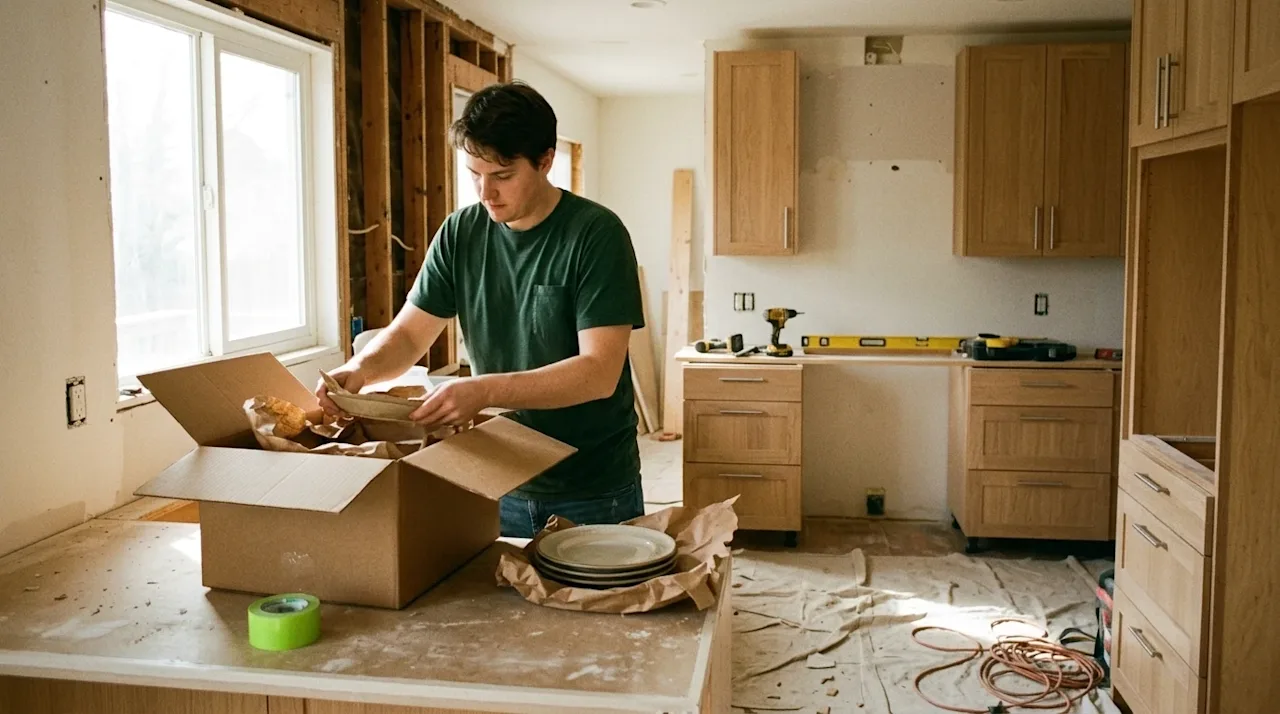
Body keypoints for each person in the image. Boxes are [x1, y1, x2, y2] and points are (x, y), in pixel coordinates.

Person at [316, 81, 646, 538]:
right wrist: (359, 370)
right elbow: (411, 335)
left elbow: (599, 371)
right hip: (494, 476)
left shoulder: (596, 234)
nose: (485, 192)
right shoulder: (461, 232)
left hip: (589, 484)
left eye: (503, 175)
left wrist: (484, 391)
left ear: (546, 160)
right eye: (474, 173)